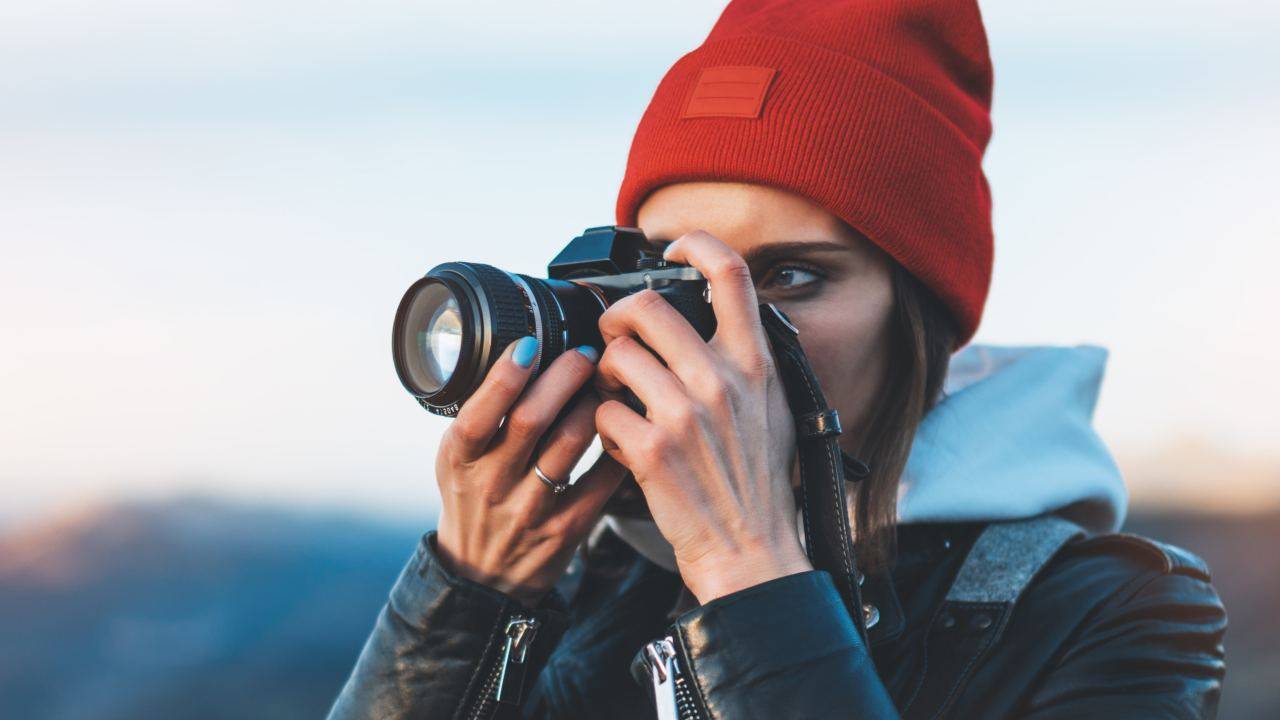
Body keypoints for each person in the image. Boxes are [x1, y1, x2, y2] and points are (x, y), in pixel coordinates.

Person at [328, 1, 1226, 717]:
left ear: (923, 317)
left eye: (790, 276)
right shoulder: (605, 585)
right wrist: (470, 593)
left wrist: (746, 568)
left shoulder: (1113, 613)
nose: (722, 330)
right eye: (679, 275)